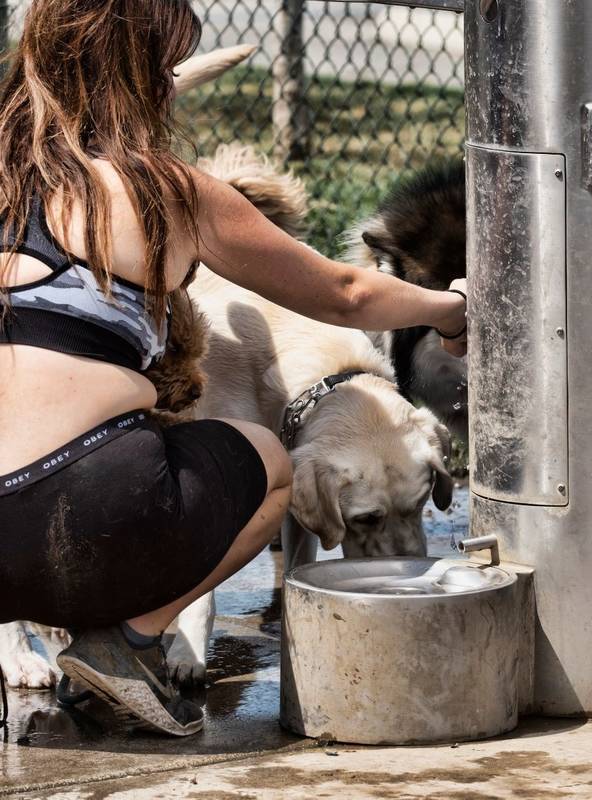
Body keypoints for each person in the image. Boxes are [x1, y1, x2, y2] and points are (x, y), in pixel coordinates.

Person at [0, 0, 467, 737]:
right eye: (162, 65)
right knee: (270, 465)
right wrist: (447, 310)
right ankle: (129, 639)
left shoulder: (7, 172)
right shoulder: (168, 194)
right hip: (76, 518)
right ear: (140, 78)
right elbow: (345, 292)